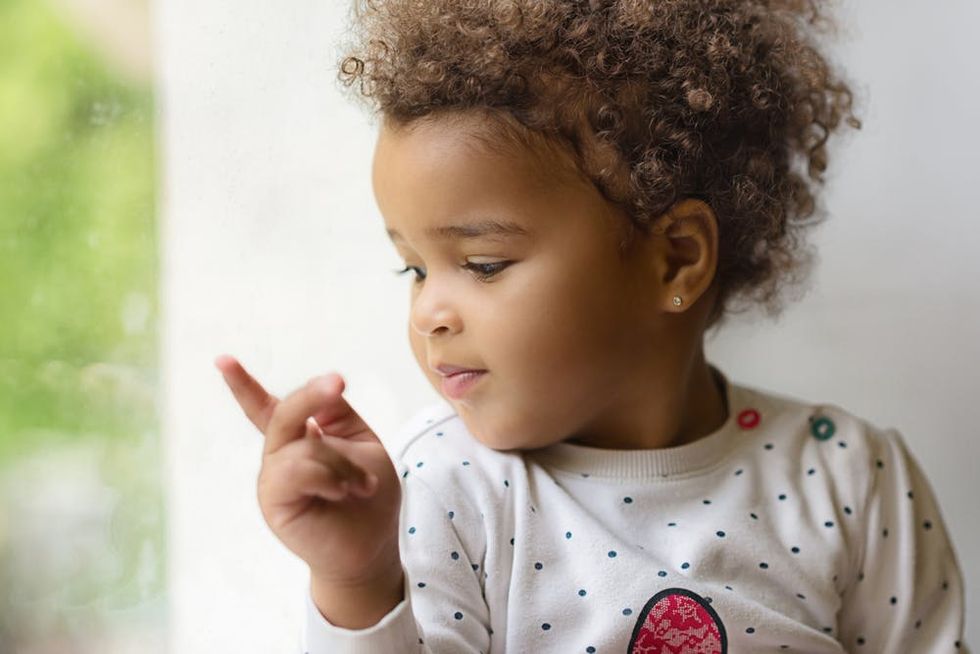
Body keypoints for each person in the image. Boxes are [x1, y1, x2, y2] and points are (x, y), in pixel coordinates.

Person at [215, 0, 970, 651]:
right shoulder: (442, 489)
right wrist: (356, 579)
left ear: (675, 260)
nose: (428, 313)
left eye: (480, 265)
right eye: (413, 268)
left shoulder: (847, 479)